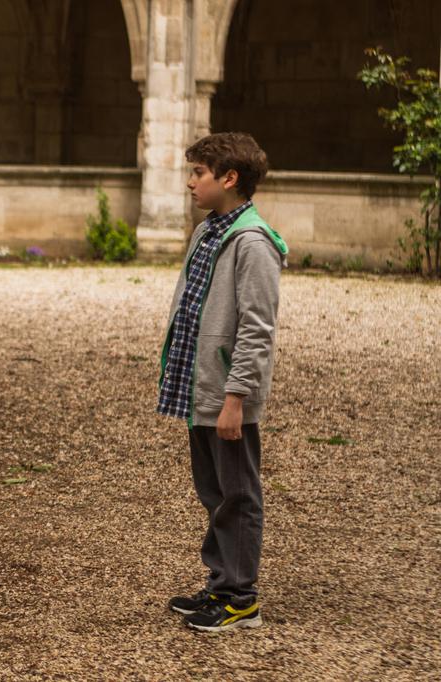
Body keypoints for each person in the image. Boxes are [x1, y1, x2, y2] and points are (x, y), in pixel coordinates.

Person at [158, 132, 288, 632]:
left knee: (238, 494)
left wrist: (237, 398)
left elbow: (257, 329)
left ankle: (241, 598)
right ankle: (220, 582)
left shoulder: (253, 244)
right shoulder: (207, 231)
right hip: (200, 387)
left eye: (198, 173)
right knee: (214, 491)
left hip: (227, 394)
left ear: (229, 179)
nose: (191, 183)